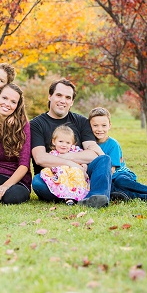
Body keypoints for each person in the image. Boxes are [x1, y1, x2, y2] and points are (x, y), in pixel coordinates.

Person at [29, 79, 112, 208]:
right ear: (50, 96)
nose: (63, 100)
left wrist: (62, 158)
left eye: (68, 97)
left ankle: (94, 198)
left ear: (72, 102)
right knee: (37, 182)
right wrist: (73, 164)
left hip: (81, 177)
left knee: (104, 160)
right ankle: (91, 193)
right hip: (53, 178)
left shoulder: (81, 121)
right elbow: (40, 158)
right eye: (59, 95)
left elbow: (93, 153)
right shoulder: (36, 124)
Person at [88, 107, 147, 202]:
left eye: (104, 125)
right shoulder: (88, 143)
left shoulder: (113, 144)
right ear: (89, 126)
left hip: (119, 174)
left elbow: (112, 170)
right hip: (105, 179)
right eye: (95, 125)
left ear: (109, 125)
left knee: (120, 182)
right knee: (112, 190)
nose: (100, 129)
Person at [39, 125, 90, 205]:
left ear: (72, 144)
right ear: (54, 141)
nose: (64, 145)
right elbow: (50, 164)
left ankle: (79, 196)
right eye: (60, 141)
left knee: (77, 173)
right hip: (61, 175)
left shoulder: (75, 151)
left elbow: (82, 159)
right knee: (61, 174)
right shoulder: (53, 154)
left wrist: (84, 165)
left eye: (68, 143)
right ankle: (68, 197)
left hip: (75, 174)